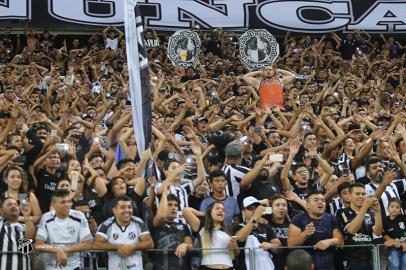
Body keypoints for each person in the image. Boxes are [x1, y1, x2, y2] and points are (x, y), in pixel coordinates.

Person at [35, 189, 93, 270]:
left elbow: (88, 244)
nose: (67, 205)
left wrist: (63, 250)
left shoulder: (79, 216)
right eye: (63, 202)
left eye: (69, 201)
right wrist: (57, 250)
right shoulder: (46, 217)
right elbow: (38, 245)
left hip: (74, 267)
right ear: (54, 204)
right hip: (52, 267)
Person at [94, 195, 154, 270]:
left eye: (129, 207)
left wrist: (132, 247)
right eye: (123, 207)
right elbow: (96, 244)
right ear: (114, 210)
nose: (127, 210)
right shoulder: (106, 225)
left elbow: (150, 243)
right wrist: (118, 247)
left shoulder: (138, 222)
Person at [288, 190, 344, 270]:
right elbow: (291, 244)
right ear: (307, 205)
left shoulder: (331, 218)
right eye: (316, 200)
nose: (320, 202)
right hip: (304, 266)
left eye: (323, 200)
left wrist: (328, 242)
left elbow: (340, 240)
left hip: (328, 266)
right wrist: (304, 234)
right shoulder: (298, 218)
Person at [336, 183, 383, 270]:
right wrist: (364, 207)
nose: (361, 196)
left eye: (363, 194)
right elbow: (351, 230)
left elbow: (378, 232)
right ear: (350, 196)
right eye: (357, 194)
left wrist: (378, 212)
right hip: (351, 259)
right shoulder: (342, 212)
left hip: (369, 258)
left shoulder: (370, 213)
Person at [183, 202, 240, 270]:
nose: (221, 210)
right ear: (210, 212)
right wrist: (204, 213)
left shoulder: (228, 230)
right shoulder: (202, 227)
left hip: (229, 267)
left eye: (223, 209)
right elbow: (186, 211)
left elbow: (236, 253)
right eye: (217, 208)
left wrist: (235, 246)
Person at [234, 196, 281, 270]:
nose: (254, 211)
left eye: (256, 208)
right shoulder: (239, 227)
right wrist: (255, 218)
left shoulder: (266, 227)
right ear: (243, 211)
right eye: (250, 208)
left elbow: (279, 248)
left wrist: (271, 245)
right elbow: (240, 238)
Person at [151, 191, 193, 270]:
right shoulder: (155, 224)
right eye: (169, 205)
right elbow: (160, 216)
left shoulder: (183, 226)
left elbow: (190, 244)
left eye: (176, 205)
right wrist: (164, 192)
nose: (173, 208)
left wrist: (185, 245)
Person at [0, 197, 35, 270]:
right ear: (1, 210)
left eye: (16, 204)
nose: (13, 206)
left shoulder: (25, 226)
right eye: (9, 204)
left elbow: (29, 242)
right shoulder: (1, 224)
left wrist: (27, 215)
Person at [383, 198, 406, 270]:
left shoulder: (403, 218)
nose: (394, 209)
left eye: (397, 207)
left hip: (405, 247)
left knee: (405, 264)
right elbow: (384, 234)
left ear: (400, 210)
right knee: (394, 264)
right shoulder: (385, 220)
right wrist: (393, 242)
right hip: (393, 248)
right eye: (392, 206)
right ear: (387, 208)